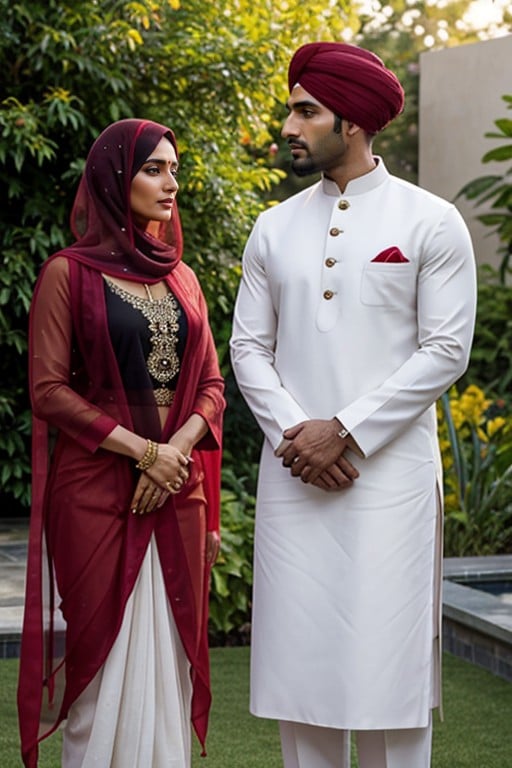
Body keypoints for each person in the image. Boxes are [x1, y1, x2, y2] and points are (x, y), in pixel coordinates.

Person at [230, 42, 476, 768]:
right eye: (291, 108)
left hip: (388, 489)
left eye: (306, 111)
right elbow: (247, 347)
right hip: (294, 479)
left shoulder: (432, 222)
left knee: (390, 685)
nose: (289, 125)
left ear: (355, 122)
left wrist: (344, 431)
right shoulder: (272, 228)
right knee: (299, 687)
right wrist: (297, 438)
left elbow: (445, 350)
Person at [17, 118, 225, 768]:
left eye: (174, 170)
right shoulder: (67, 274)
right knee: (98, 659)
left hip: (174, 491)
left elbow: (213, 386)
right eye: (154, 169)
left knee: (167, 659)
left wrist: (175, 453)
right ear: (115, 179)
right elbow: (48, 391)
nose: (171, 184)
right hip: (97, 494)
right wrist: (144, 452)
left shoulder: (183, 279)